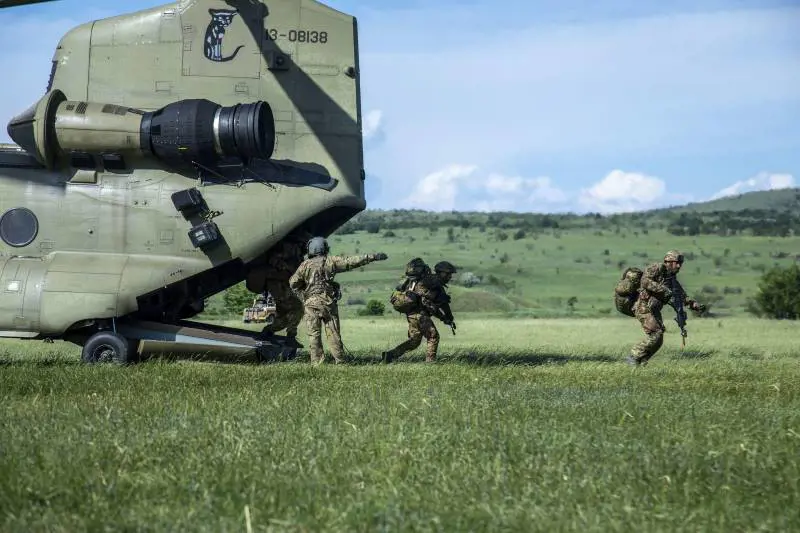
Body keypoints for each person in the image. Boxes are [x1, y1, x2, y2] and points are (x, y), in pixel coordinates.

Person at [289, 236, 388, 364]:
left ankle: (317, 363)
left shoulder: (304, 265)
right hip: (328, 304)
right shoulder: (331, 261)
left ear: (310, 249)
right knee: (334, 334)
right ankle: (340, 361)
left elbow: (293, 283)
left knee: (314, 335)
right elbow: (351, 261)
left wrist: (303, 296)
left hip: (311, 305)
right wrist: (372, 257)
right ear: (324, 248)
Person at [628, 250, 705, 366]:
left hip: (654, 310)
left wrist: (693, 304)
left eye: (680, 263)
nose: (679, 266)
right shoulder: (657, 268)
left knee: (659, 339)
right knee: (657, 333)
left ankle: (641, 361)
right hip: (643, 307)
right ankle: (634, 356)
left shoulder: (672, 279)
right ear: (668, 262)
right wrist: (664, 290)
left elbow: (681, 296)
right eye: (676, 263)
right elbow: (645, 281)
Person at [382, 260, 457, 363]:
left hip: (413, 314)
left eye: (450, 274)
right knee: (433, 336)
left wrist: (447, 318)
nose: (450, 277)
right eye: (448, 274)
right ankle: (430, 363)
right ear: (441, 272)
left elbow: (439, 305)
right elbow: (435, 302)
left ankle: (389, 356)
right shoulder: (432, 281)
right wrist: (447, 316)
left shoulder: (433, 282)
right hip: (419, 314)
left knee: (414, 342)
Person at [246, 232, 309, 345]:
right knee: (297, 308)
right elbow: (273, 260)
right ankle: (290, 337)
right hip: (278, 284)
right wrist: (286, 267)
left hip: (283, 284)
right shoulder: (287, 247)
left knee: (285, 314)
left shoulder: (296, 251)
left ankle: (268, 332)